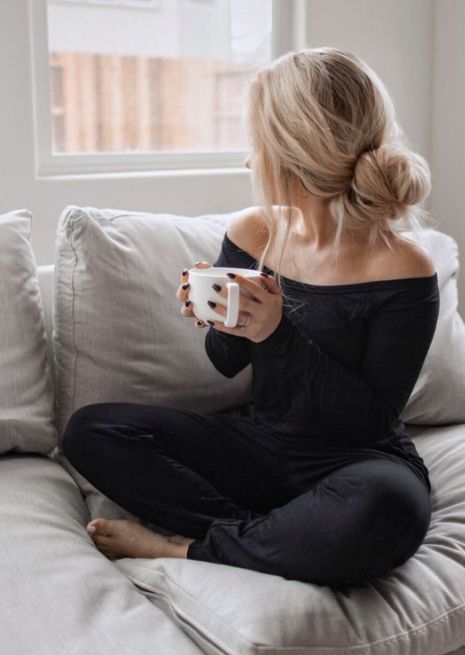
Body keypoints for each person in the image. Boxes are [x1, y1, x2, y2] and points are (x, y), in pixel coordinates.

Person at [61, 47, 440, 590]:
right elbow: (224, 364)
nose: (249, 161)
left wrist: (278, 333)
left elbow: (371, 420)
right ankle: (268, 537)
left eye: (257, 143)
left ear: (293, 153)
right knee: (92, 430)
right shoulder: (254, 231)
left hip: (354, 461)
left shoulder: (403, 264)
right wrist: (221, 316)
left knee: (390, 509)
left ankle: (188, 547)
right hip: (261, 447)